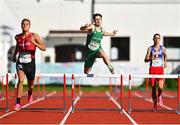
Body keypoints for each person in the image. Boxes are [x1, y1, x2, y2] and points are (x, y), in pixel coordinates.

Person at [12, 18, 46, 111]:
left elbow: (44, 47)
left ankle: (30, 93)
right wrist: (14, 55)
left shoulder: (34, 36)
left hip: (31, 63)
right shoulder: (17, 37)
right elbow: (17, 47)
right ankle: (18, 103)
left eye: (27, 24)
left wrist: (34, 42)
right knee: (21, 80)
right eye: (23, 24)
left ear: (29, 26)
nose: (25, 25)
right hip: (21, 62)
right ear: (21, 25)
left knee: (31, 85)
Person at [144, 33, 167, 111]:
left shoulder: (163, 48)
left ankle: (159, 96)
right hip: (152, 69)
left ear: (160, 39)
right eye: (155, 38)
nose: (157, 40)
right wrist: (151, 58)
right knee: (153, 88)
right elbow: (145, 60)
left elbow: (165, 55)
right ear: (153, 39)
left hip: (160, 69)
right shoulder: (150, 48)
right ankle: (155, 104)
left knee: (160, 87)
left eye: (158, 38)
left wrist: (165, 62)